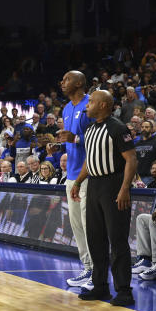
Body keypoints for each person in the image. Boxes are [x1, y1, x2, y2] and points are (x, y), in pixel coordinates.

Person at [70, 89, 138, 306]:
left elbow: (131, 159)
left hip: (114, 185)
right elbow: (89, 161)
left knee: (117, 240)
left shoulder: (118, 128)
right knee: (95, 238)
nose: (87, 105)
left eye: (90, 102)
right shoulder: (90, 129)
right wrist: (79, 181)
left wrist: (125, 188)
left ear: (102, 105)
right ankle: (100, 286)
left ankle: (124, 291)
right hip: (94, 185)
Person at [58, 71, 96, 290]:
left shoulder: (90, 105)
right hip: (71, 175)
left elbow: (96, 137)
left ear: (80, 82)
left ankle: (97, 271)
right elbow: (72, 140)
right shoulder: (66, 108)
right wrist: (61, 143)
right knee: (76, 226)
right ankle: (88, 268)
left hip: (88, 175)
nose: (62, 83)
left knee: (88, 224)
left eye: (67, 79)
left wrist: (75, 138)